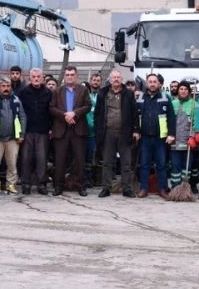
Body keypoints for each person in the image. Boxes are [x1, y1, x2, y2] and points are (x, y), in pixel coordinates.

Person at [49, 66, 91, 197]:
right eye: (67, 74)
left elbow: (88, 106)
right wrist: (65, 116)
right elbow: (51, 108)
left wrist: (75, 114)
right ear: (64, 76)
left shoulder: (83, 90)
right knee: (60, 160)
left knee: (79, 160)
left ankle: (81, 186)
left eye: (72, 74)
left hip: (78, 130)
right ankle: (58, 186)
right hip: (61, 130)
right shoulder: (57, 91)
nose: (69, 76)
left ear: (76, 76)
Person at [96, 70, 137, 198]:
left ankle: (126, 188)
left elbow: (134, 113)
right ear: (110, 79)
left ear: (122, 79)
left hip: (125, 132)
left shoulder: (129, 94)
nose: (116, 79)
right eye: (114, 77)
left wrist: (136, 130)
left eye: (118, 77)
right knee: (107, 161)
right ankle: (106, 188)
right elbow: (97, 113)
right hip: (108, 132)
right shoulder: (103, 93)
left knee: (126, 162)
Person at [134, 73, 175, 198]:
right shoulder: (140, 97)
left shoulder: (165, 97)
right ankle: (143, 189)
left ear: (158, 84)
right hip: (145, 137)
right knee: (144, 164)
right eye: (150, 81)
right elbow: (135, 117)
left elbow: (171, 117)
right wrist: (136, 131)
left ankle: (163, 189)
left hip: (161, 138)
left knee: (161, 165)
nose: (152, 84)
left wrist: (171, 134)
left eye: (154, 81)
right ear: (147, 83)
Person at [18, 68, 53, 196]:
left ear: (42, 78)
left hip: (43, 131)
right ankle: (26, 184)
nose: (36, 78)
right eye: (34, 76)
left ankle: (42, 184)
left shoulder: (48, 93)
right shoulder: (23, 93)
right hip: (27, 131)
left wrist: (51, 127)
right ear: (30, 78)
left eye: (39, 76)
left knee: (41, 159)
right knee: (26, 158)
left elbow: (51, 112)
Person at [0, 77, 26, 196]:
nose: (6, 88)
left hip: (12, 138)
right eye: (3, 86)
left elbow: (22, 117)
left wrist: (21, 134)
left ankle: (11, 185)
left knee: (12, 163)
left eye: (8, 86)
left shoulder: (16, 99)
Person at [170, 81, 199, 195]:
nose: (183, 91)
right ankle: (175, 188)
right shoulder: (172, 104)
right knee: (175, 166)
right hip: (175, 141)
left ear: (189, 91)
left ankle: (185, 187)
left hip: (188, 142)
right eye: (181, 89)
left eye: (185, 89)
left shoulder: (195, 105)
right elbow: (169, 122)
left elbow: (196, 123)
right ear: (178, 91)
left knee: (187, 167)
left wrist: (193, 136)